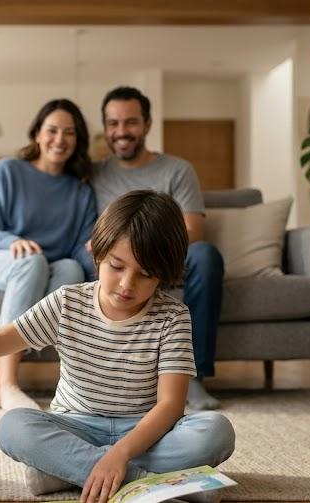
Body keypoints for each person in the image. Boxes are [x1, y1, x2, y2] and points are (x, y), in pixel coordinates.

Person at [0, 190, 235, 502]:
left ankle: (65, 470)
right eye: (117, 266)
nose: (126, 284)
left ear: (163, 276)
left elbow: (170, 406)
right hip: (76, 425)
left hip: (144, 433)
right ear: (98, 252)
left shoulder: (173, 317)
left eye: (145, 275)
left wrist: (119, 454)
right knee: (13, 426)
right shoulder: (68, 302)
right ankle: (149, 484)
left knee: (216, 432)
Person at [0, 99, 98, 411]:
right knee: (32, 263)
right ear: (36, 134)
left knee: (72, 271)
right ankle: (7, 382)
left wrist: (100, 263)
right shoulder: (10, 170)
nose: (60, 139)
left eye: (69, 133)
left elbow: (77, 248)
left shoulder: (81, 191)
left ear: (78, 140)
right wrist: (12, 241)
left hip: (41, 267)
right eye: (52, 130)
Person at [92, 86, 224, 410]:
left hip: (166, 256)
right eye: (113, 123)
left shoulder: (177, 170)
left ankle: (193, 378)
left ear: (148, 124)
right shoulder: (93, 173)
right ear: (106, 127)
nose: (121, 131)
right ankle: (98, 380)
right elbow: (43, 181)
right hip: (112, 262)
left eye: (131, 122)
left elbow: (193, 227)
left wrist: (143, 249)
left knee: (206, 256)